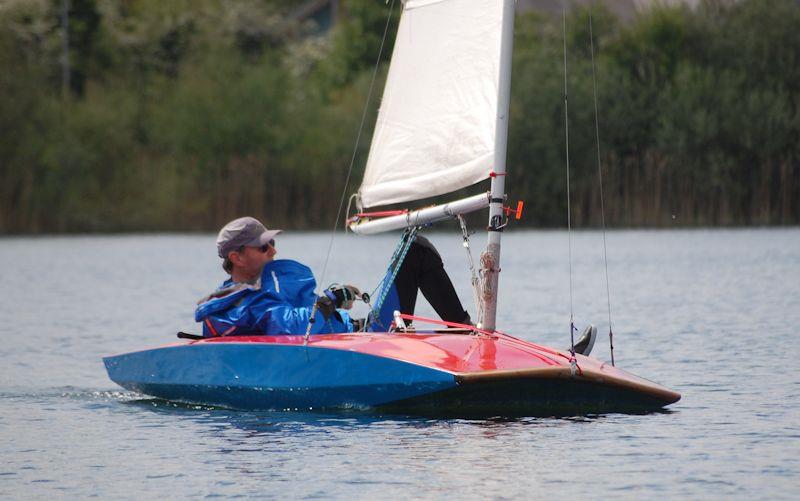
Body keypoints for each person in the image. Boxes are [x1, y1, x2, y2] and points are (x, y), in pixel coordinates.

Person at [195, 216, 470, 337]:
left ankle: (462, 329)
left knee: (414, 246)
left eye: (272, 243)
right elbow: (293, 326)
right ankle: (463, 329)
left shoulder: (261, 285)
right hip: (369, 340)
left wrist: (333, 297)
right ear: (237, 258)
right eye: (263, 246)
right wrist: (331, 300)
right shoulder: (243, 301)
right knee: (415, 248)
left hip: (359, 331)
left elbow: (303, 313)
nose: (273, 251)